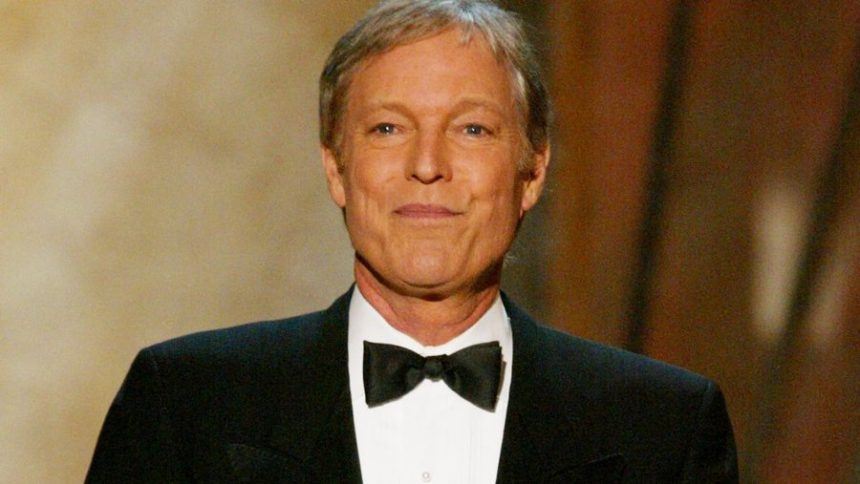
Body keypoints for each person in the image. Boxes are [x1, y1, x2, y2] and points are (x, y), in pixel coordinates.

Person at [86, 0, 738, 482]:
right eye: (388, 129)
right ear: (336, 168)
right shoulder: (184, 405)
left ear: (533, 171)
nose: (428, 165)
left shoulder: (666, 428)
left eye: (472, 129)